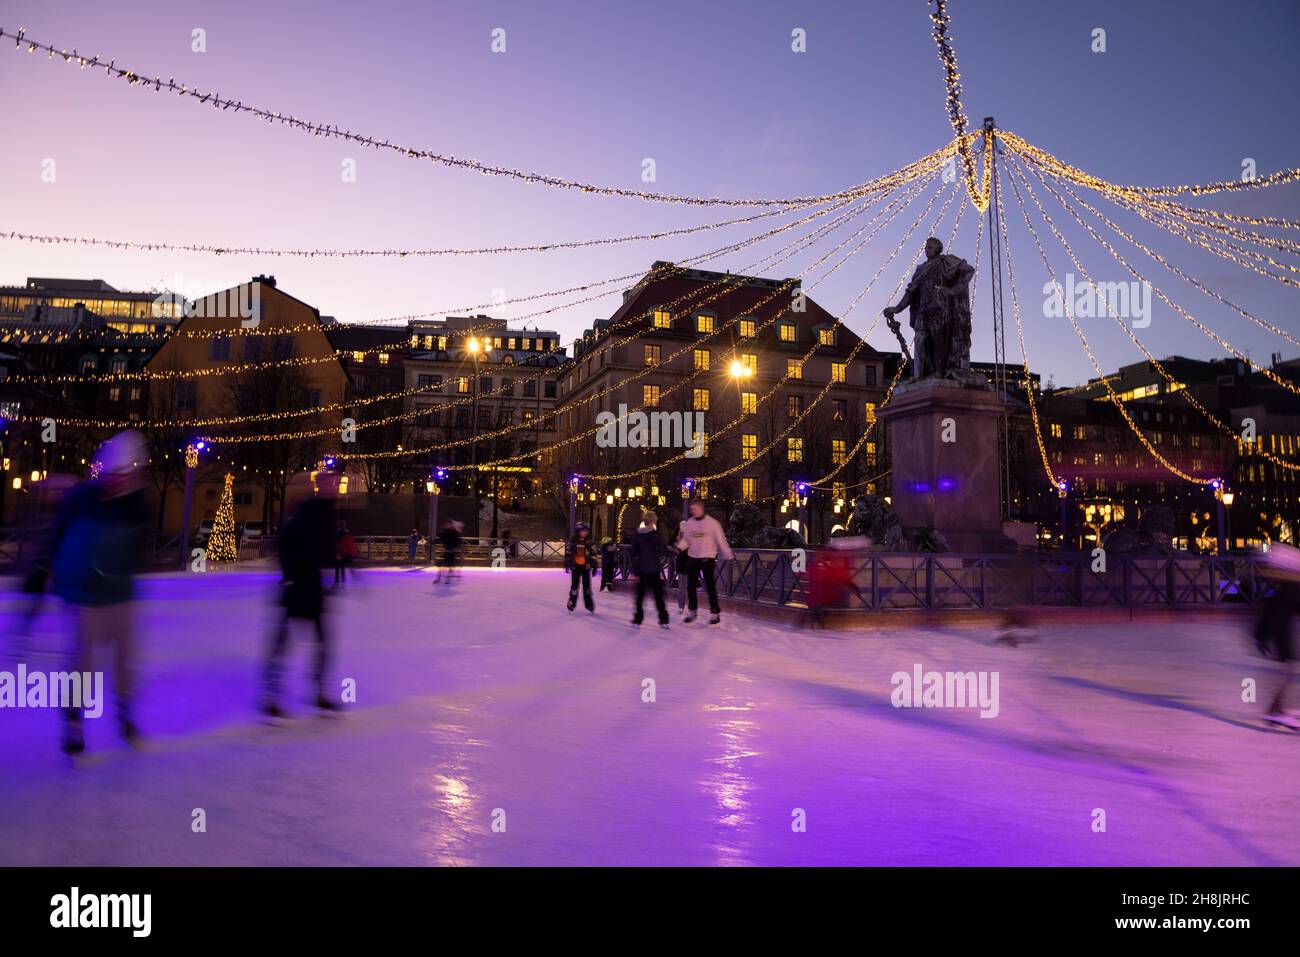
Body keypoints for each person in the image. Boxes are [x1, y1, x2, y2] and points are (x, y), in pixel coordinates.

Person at [49, 431, 151, 753]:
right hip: (87, 597)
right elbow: (59, 539)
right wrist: (48, 572)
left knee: (124, 661)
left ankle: (124, 714)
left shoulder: (139, 505)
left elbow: (140, 551)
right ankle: (74, 722)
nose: (117, 482)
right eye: (112, 476)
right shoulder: (81, 500)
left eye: (123, 476)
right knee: (83, 663)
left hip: (120, 595)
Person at [262, 472, 341, 718]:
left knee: (322, 642)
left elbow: (324, 547)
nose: (335, 488)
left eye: (336, 484)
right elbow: (286, 546)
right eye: (330, 484)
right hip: (297, 585)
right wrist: (289, 577)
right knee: (283, 642)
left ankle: (318, 692)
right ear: (319, 486)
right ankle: (271, 696)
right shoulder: (306, 512)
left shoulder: (326, 512)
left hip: (313, 585)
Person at [1254, 542, 1300, 728]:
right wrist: (1261, 635)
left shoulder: (1285, 588)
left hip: (1278, 633)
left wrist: (1260, 635)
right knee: (1288, 671)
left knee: (1287, 671)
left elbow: (1268, 613)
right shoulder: (1289, 589)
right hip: (1280, 635)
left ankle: (1276, 709)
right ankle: (1274, 711)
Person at [674, 500, 734, 624]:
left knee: (710, 587)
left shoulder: (712, 523)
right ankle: (692, 611)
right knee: (691, 586)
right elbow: (687, 540)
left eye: (694, 509)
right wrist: (680, 547)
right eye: (691, 509)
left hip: (707, 558)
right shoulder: (689, 523)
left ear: (701, 508)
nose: (692, 511)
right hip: (693, 558)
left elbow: (721, 540)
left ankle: (715, 613)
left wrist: (728, 554)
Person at [629, 511, 672, 628]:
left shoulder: (637, 535)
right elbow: (663, 550)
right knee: (659, 597)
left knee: (640, 597)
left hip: (641, 570)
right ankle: (664, 620)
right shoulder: (655, 535)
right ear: (653, 522)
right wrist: (674, 551)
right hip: (654, 570)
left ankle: (638, 619)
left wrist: (634, 571)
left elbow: (633, 554)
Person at [565, 522, 596, 613]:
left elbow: (593, 554)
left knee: (587, 588)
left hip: (586, 567)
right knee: (575, 586)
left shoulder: (589, 542)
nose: (585, 533)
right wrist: (567, 562)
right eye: (583, 531)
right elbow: (568, 552)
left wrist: (594, 565)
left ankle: (589, 604)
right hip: (576, 567)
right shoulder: (573, 541)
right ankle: (572, 602)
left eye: (586, 531)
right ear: (578, 531)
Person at [434, 518, 463, 584]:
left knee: (450, 566)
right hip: (446, 551)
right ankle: (438, 579)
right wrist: (433, 542)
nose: (447, 525)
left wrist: (457, 548)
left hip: (452, 552)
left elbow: (458, 541)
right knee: (440, 565)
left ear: (451, 524)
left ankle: (448, 579)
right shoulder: (446, 532)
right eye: (446, 524)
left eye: (448, 524)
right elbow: (440, 538)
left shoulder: (455, 533)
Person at [333, 521, 357, 587]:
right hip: (342, 551)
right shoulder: (346, 532)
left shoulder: (342, 532)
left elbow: (339, 542)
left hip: (341, 551)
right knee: (340, 567)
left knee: (338, 566)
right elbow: (349, 543)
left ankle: (338, 580)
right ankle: (341, 580)